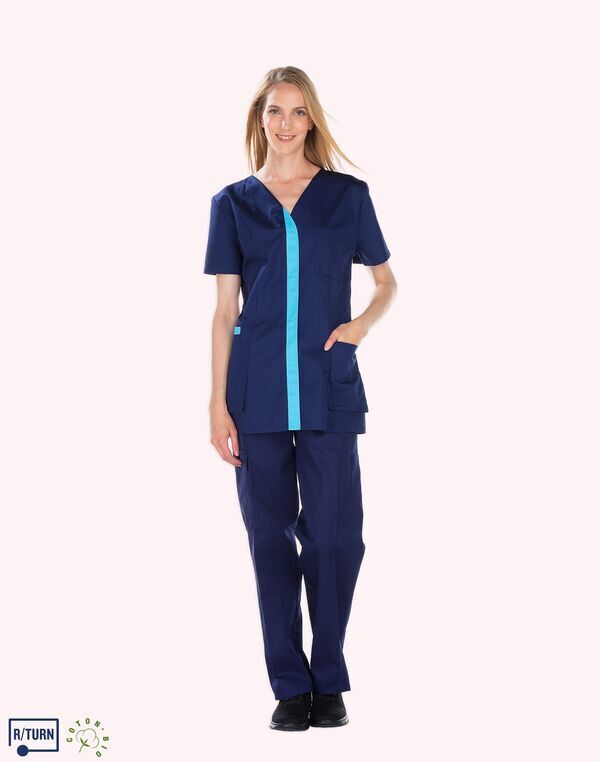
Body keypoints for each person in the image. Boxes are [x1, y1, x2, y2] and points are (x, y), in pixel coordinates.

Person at [203, 66, 397, 731]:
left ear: (311, 119)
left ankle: (329, 676)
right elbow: (224, 309)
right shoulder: (232, 204)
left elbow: (386, 282)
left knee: (336, 536)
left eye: (297, 111)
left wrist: (360, 326)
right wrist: (216, 403)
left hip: (327, 386)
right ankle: (289, 686)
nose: (285, 123)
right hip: (254, 393)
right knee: (268, 538)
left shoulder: (347, 196)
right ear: (259, 119)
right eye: (275, 111)